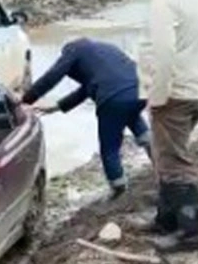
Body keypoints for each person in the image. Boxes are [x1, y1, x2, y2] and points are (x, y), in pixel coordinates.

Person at [134, 0, 198, 253]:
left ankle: (190, 232)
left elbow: (163, 52)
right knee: (166, 158)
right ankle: (166, 220)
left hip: (174, 94)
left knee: (175, 163)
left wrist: (158, 96)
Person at [20, 37, 152, 200]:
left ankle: (118, 187)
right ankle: (160, 160)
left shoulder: (72, 51)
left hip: (112, 99)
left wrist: (26, 100)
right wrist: (56, 107)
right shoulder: (105, 48)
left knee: (109, 147)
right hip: (140, 90)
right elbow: (87, 89)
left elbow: (52, 76)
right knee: (130, 114)